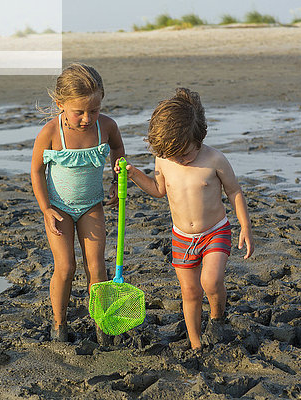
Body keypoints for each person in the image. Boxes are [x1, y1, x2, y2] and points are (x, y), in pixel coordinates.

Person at [115, 88, 254, 349]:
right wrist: (133, 174)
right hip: (182, 237)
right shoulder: (164, 159)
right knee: (190, 292)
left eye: (185, 153)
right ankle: (195, 343)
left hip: (215, 231)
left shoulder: (214, 159)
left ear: (199, 138)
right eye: (173, 155)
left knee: (211, 282)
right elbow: (158, 190)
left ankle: (216, 317)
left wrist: (245, 226)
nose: (179, 160)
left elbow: (234, 191)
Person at [31, 63, 125, 342]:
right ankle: (59, 324)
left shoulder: (106, 126)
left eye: (94, 110)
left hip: (92, 206)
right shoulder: (51, 133)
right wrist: (45, 209)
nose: (87, 118)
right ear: (61, 104)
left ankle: (101, 322)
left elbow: (118, 149)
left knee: (97, 267)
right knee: (66, 267)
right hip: (57, 208)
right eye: (79, 112)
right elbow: (36, 170)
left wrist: (114, 178)